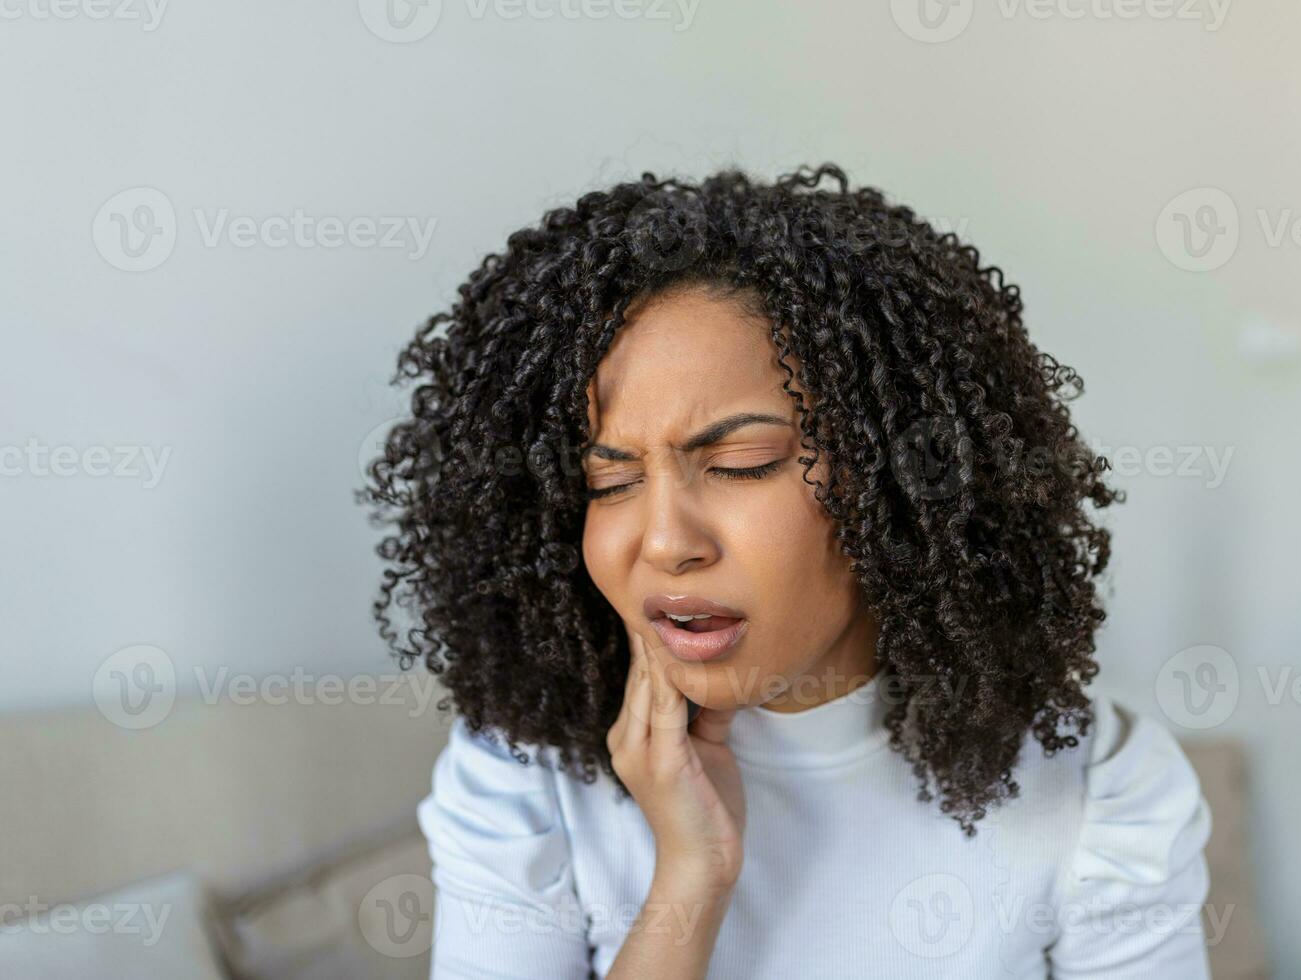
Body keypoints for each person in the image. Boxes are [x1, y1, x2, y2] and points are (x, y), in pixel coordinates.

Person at [361, 163, 1213, 979]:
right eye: (609, 481)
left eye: (740, 464)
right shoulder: (525, 777)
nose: (664, 542)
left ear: (899, 483)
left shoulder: (1100, 786)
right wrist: (689, 882)